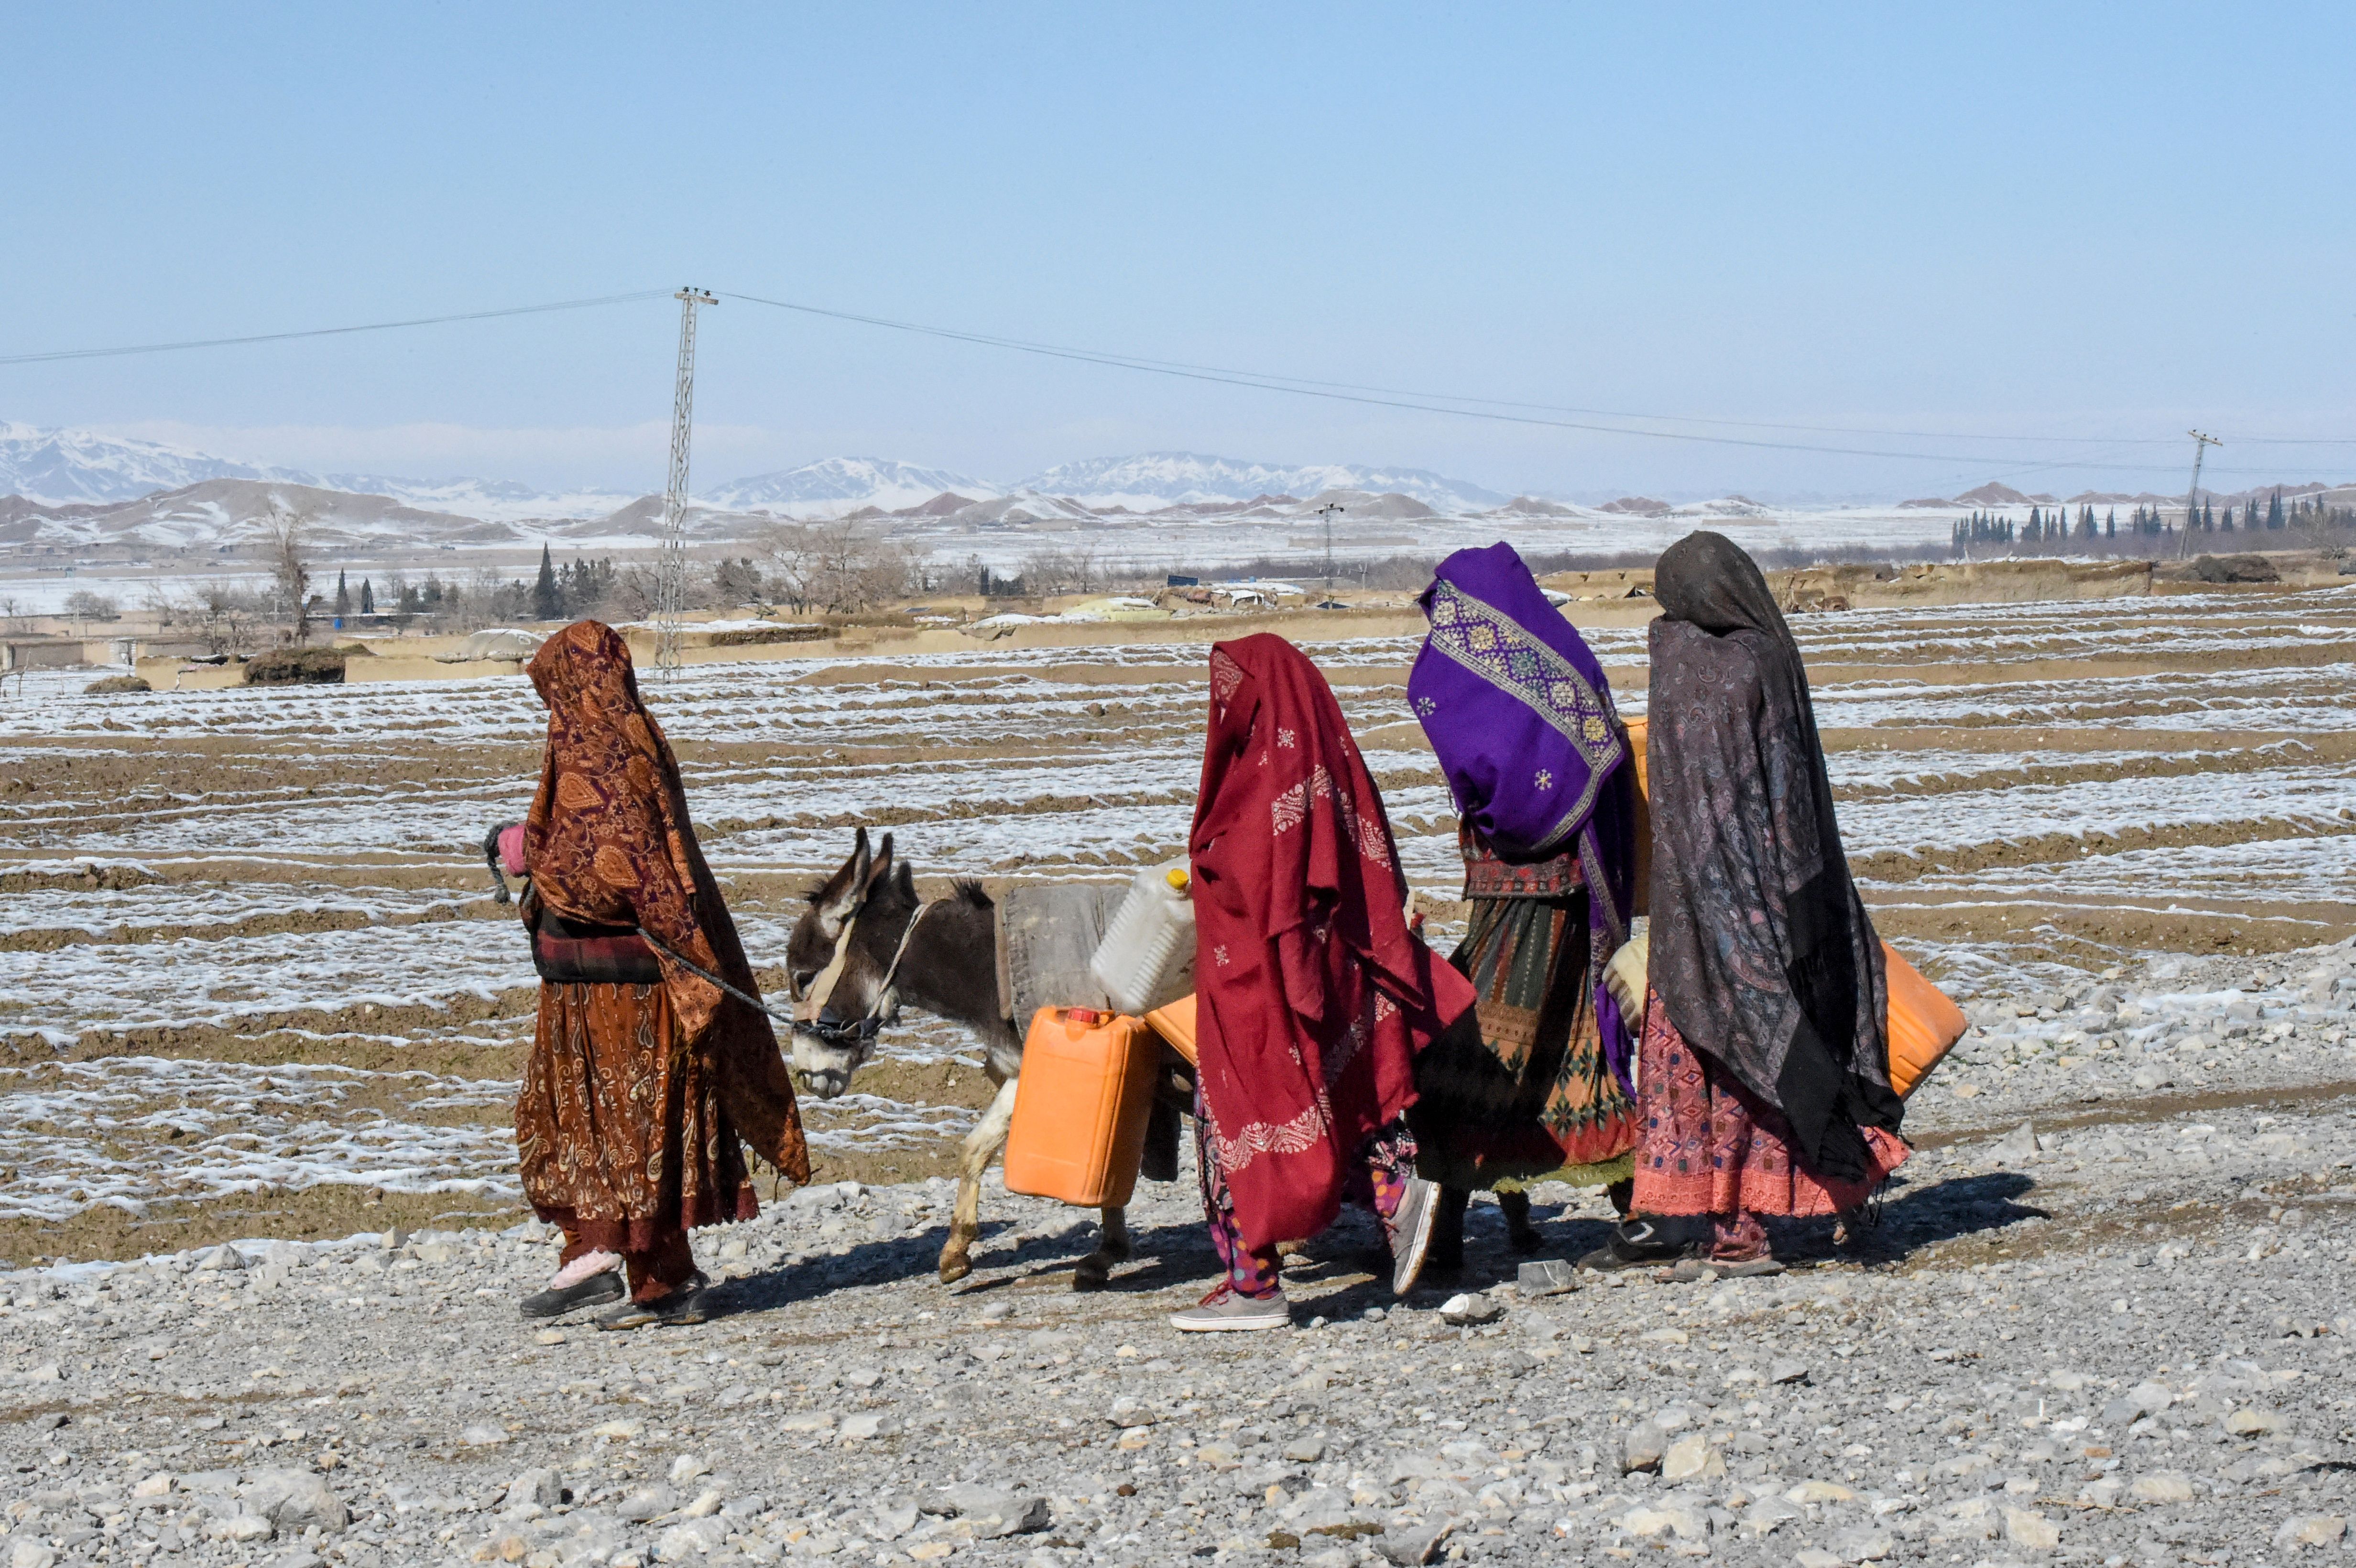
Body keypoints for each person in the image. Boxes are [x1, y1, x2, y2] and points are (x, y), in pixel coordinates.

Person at [1600, 532, 1906, 1273]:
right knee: (1786, 1040)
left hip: (1693, 909)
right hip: (1772, 892)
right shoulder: (1769, 654)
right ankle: (1829, 1195)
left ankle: (1720, 1222)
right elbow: (1790, 785)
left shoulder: (1671, 657)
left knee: (1705, 1056)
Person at [509, 621, 809, 1328]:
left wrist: (526, 856)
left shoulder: (603, 747)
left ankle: (658, 1279)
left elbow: (610, 875)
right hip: (584, 987)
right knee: (583, 1119)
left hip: (630, 992)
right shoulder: (611, 738)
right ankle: (593, 1257)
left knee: (633, 1125)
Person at [1175, 633, 1479, 1331]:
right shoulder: (1329, 758)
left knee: (1231, 1109)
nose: (1223, 707)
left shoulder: (1262, 778)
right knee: (1353, 1085)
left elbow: (1252, 882)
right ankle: (1397, 1191)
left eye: (1232, 692)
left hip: (1265, 988)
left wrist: (1205, 862)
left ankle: (1254, 1283)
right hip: (1338, 971)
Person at [1403, 543, 1644, 1270]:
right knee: (1581, 1044)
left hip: (1513, 898)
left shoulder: (1455, 671)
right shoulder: (1565, 659)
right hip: (1579, 894)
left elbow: (1478, 770)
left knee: (1476, 1054)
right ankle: (1637, 1211)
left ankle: (1444, 1232)